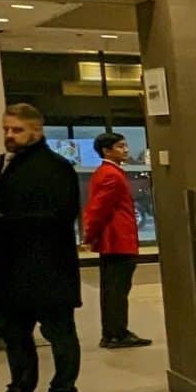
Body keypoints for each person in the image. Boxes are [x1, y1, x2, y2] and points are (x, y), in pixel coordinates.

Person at [0, 102, 82, 392]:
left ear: (36, 130)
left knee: (58, 331)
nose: (9, 135)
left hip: (48, 265)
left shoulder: (55, 166)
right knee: (12, 330)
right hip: (14, 265)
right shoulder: (13, 164)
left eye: (17, 130)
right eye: (6, 129)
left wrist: (2, 221)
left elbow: (60, 216)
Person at [82, 131, 148, 349]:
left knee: (114, 289)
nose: (126, 150)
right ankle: (115, 333)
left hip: (114, 241)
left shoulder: (107, 172)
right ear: (107, 151)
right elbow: (98, 209)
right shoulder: (111, 174)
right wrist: (89, 235)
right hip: (118, 241)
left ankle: (114, 332)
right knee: (117, 290)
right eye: (120, 146)